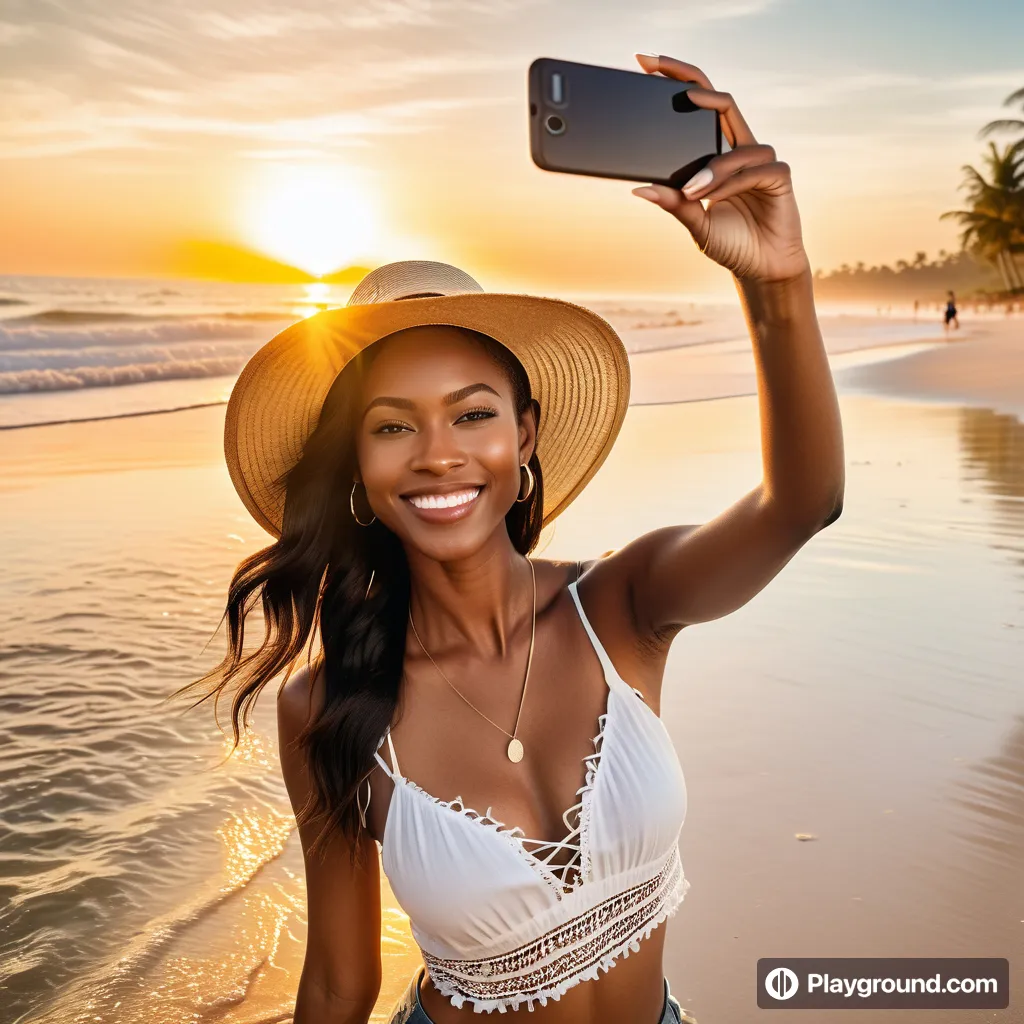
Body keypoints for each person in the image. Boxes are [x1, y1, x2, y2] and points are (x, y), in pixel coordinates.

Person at [183, 53, 844, 1024]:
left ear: (523, 435)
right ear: (358, 468)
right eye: (393, 424)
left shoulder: (626, 601)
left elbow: (802, 503)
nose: (437, 455)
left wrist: (778, 284)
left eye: (472, 414)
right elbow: (337, 980)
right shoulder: (326, 707)